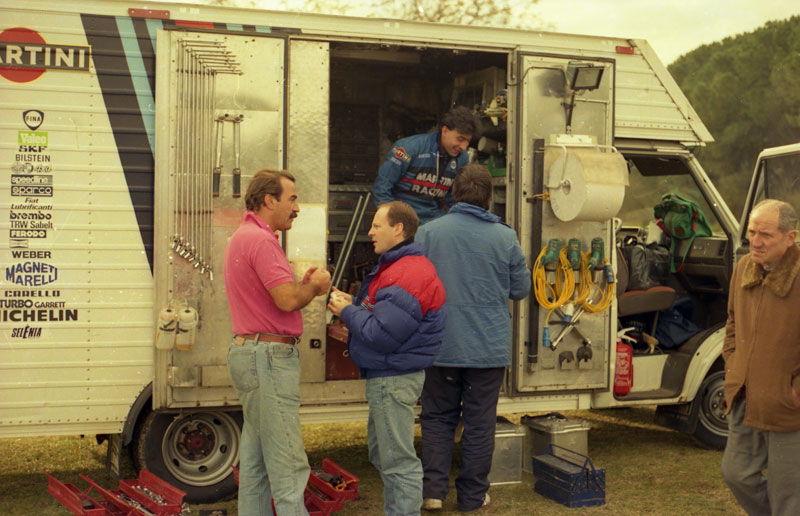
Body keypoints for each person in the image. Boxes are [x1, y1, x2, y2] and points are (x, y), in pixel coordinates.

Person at [414, 163, 531, 512]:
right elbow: (521, 289)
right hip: (487, 349)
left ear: (454, 194)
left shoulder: (428, 233)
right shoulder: (505, 237)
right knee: (480, 422)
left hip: (439, 344)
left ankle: (432, 492)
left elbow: (414, 284)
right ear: (489, 198)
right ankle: (472, 496)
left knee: (437, 417)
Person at [327, 200, 447, 516]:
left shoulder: (406, 273)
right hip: (389, 376)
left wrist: (348, 311)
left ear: (398, 229)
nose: (370, 232)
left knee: (397, 461)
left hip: (392, 376)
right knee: (385, 455)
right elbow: (388, 316)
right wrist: (354, 303)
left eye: (376, 226)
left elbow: (382, 334)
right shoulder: (400, 269)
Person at [224, 168, 331, 516]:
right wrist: (314, 288)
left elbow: (274, 296)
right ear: (270, 200)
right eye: (293, 199)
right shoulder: (263, 241)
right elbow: (286, 300)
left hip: (250, 353)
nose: (297, 208)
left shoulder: (242, 236)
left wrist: (301, 285)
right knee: (288, 464)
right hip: (269, 358)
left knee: (255, 465)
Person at [721, 199, 800, 516]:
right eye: (752, 232)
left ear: (790, 237)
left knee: (787, 494)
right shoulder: (743, 268)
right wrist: (734, 365)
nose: (755, 241)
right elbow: (731, 323)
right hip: (745, 396)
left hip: (788, 407)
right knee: (736, 474)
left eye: (765, 234)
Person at [372, 106, 481, 225]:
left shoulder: (462, 158)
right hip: (403, 219)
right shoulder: (407, 148)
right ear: (444, 131)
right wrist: (393, 221)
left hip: (434, 220)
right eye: (460, 139)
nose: (464, 147)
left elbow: (454, 200)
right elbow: (382, 188)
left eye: (467, 141)